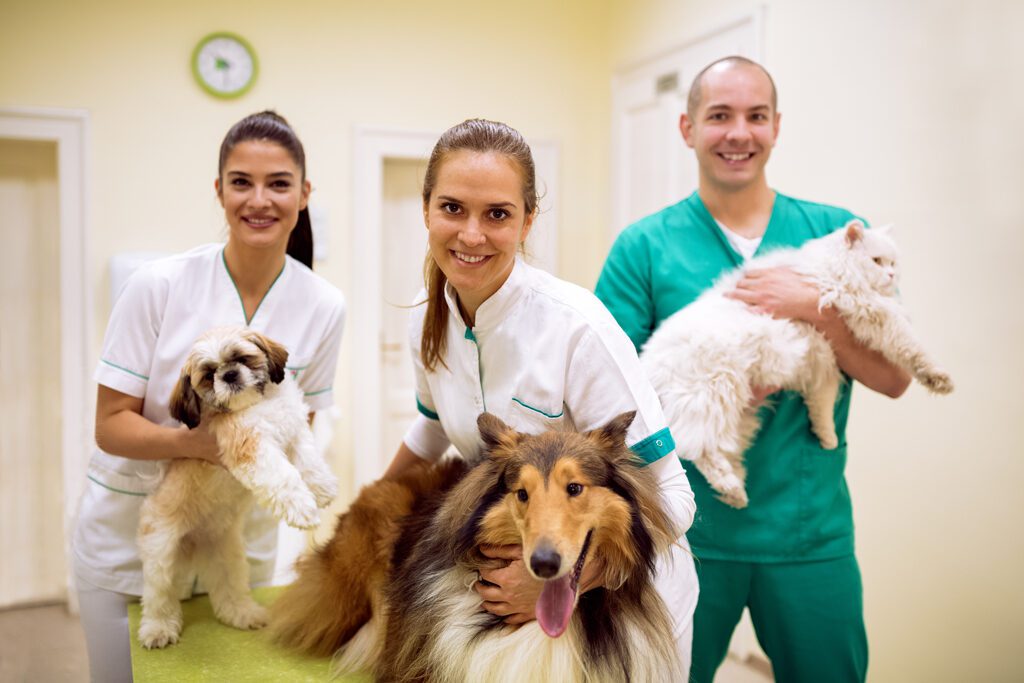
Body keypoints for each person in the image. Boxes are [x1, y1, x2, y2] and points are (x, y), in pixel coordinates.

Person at [595, 56, 912, 683]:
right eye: (720, 116)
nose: (739, 133)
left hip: (807, 532)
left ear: (776, 126)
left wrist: (813, 311)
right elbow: (608, 393)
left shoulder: (835, 235)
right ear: (687, 128)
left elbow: (895, 377)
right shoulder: (645, 246)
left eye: (755, 116)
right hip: (681, 533)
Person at [379, 118, 699, 674]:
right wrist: (372, 518)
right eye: (452, 208)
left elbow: (674, 491)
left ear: (527, 220)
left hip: (619, 608)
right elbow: (432, 430)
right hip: (515, 600)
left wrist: (559, 576)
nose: (472, 235)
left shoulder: (577, 328)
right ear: (426, 208)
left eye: (497, 214)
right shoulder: (426, 321)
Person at [71, 111, 346, 682]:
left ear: (304, 193)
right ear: (219, 190)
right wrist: (205, 445)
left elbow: (306, 419)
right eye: (241, 182)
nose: (259, 200)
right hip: (132, 536)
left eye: (279, 183)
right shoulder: (157, 285)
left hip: (241, 541)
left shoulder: (323, 304)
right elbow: (109, 425)